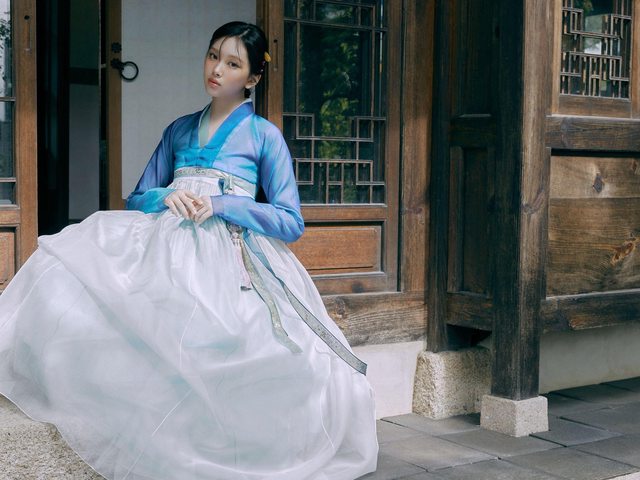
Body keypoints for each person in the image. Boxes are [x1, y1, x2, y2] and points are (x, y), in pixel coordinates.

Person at [0, 21, 378, 480]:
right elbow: (138, 197)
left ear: (253, 78)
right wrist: (168, 196)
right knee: (77, 273)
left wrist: (222, 204)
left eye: (233, 63)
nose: (217, 69)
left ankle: (223, 450)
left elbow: (289, 221)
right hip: (167, 247)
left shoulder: (264, 136)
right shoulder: (179, 129)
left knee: (228, 346)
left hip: (231, 257)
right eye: (213, 56)